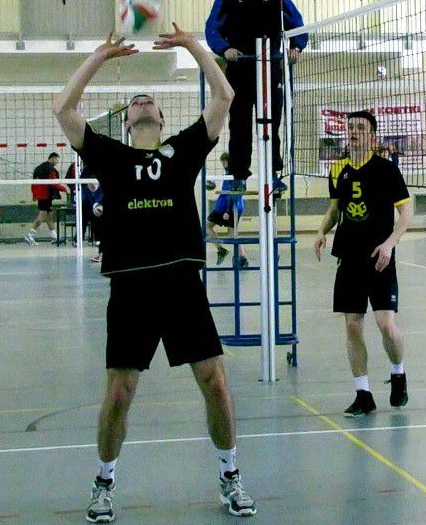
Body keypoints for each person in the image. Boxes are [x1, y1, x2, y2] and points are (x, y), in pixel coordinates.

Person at [52, 26, 257, 522]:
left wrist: (192, 45)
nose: (143, 102)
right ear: (128, 122)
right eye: (135, 102)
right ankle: (104, 483)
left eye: (150, 100)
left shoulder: (183, 151)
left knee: (215, 382)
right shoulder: (110, 156)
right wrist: (100, 55)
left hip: (181, 285)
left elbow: (225, 96)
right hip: (131, 288)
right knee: (119, 393)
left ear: (162, 118)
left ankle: (230, 475)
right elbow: (63, 108)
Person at [313, 110, 414, 416]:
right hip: (348, 257)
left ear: (372, 136)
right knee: (353, 325)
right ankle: (363, 394)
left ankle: (398, 372)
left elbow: (407, 212)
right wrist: (321, 231)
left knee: (386, 325)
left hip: (379, 257)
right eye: (350, 127)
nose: (353, 131)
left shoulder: (386, 169)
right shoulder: (338, 170)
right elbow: (335, 210)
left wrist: (390, 243)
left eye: (360, 127)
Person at [206, 0, 308, 188]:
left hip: (270, 69)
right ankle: (238, 176)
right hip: (239, 69)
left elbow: (297, 24)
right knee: (239, 125)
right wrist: (224, 49)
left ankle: (273, 174)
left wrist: (296, 46)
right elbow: (212, 29)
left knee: (272, 123)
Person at [208, 152, 249, 268]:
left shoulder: (230, 174)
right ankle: (243, 257)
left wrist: (226, 211)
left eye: (222, 163)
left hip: (225, 207)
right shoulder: (237, 172)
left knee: (207, 226)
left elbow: (230, 193)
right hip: (237, 205)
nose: (222, 165)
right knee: (232, 233)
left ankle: (221, 250)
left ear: (225, 161)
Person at [26, 152, 67, 245]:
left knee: (49, 216)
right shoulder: (49, 169)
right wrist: (65, 189)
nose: (57, 162)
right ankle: (29, 235)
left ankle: (54, 237)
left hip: (42, 195)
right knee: (42, 215)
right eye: (57, 160)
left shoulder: (40, 167)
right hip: (45, 195)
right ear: (52, 158)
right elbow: (54, 183)